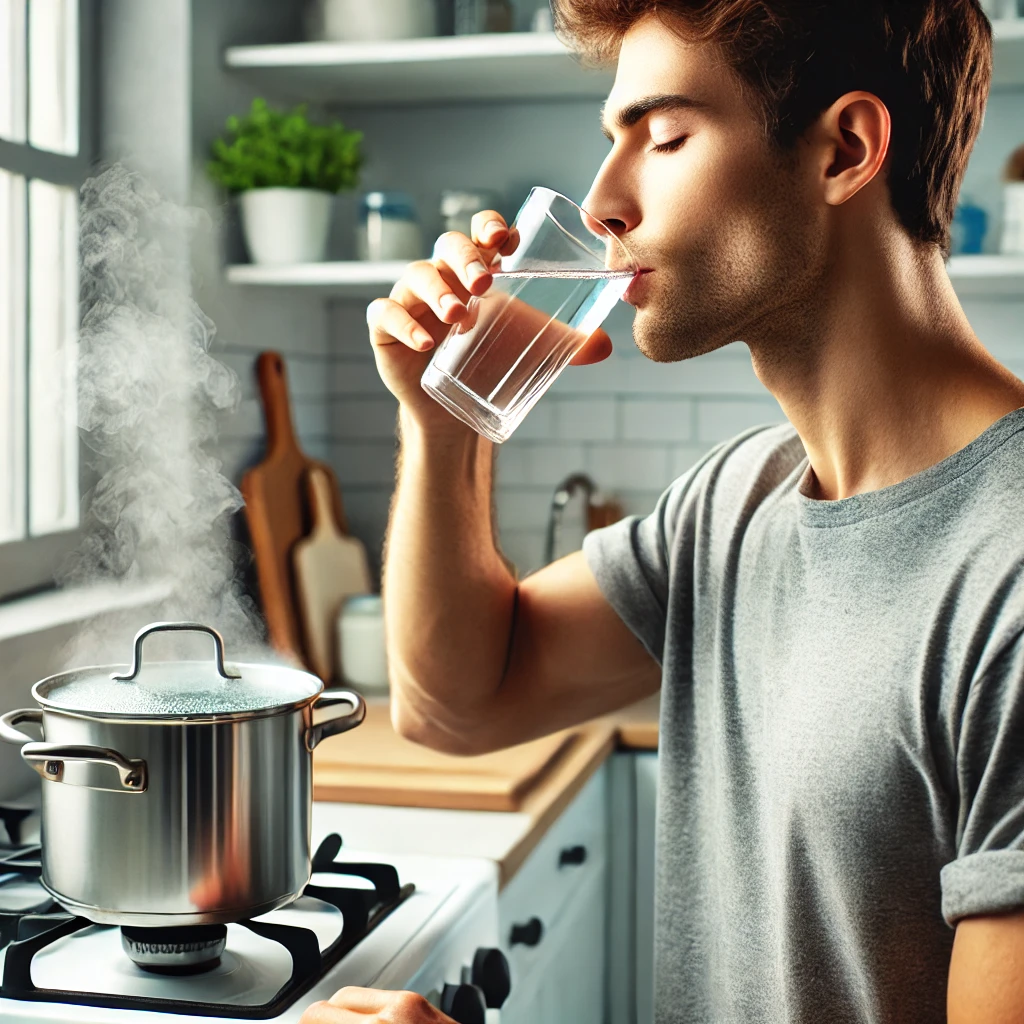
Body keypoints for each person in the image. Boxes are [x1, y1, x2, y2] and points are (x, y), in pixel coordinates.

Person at [301, 1, 1024, 1022]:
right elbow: (455, 702)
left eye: (666, 135)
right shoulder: (732, 506)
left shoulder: (1008, 573)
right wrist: (444, 425)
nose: (600, 202)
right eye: (613, 142)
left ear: (844, 151)